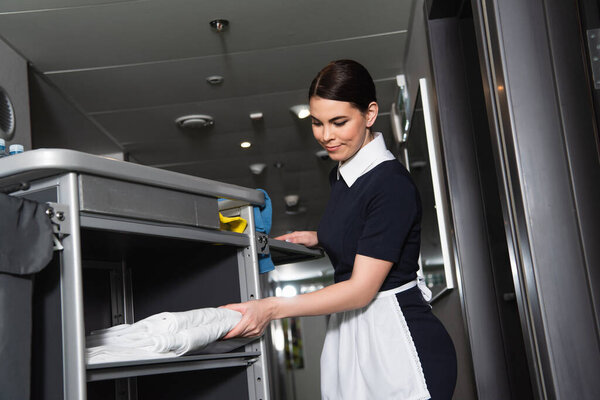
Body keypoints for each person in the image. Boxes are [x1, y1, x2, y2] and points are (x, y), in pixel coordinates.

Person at [221, 59, 457, 399]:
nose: (326, 136)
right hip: (356, 333)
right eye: (317, 123)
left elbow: (361, 289)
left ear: (370, 114)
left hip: (398, 341)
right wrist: (321, 237)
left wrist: (270, 308)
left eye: (339, 122)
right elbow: (366, 228)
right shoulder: (344, 175)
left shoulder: (389, 183)